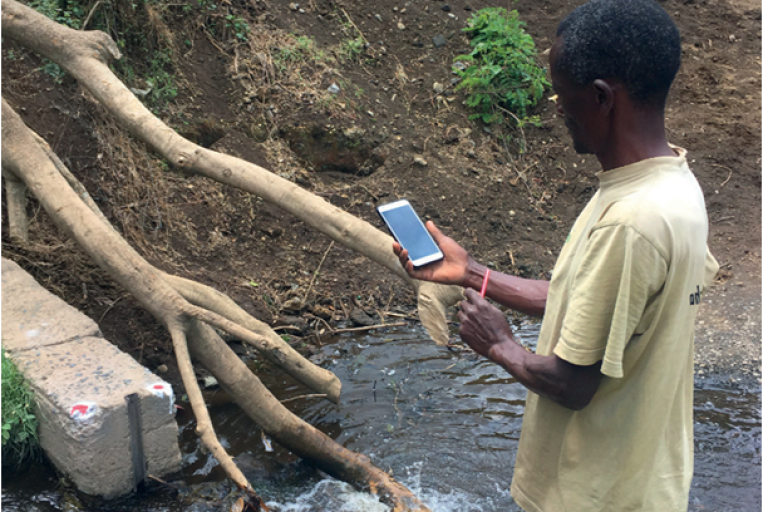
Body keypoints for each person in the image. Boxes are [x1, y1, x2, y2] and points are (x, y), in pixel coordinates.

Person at [393, 0, 720, 510]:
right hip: (643, 484)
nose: (557, 107)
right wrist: (470, 272)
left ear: (600, 98)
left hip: (597, 496)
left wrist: (499, 343)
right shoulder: (670, 185)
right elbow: (585, 301)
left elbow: (572, 384)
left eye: (561, 93)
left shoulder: (632, 222)